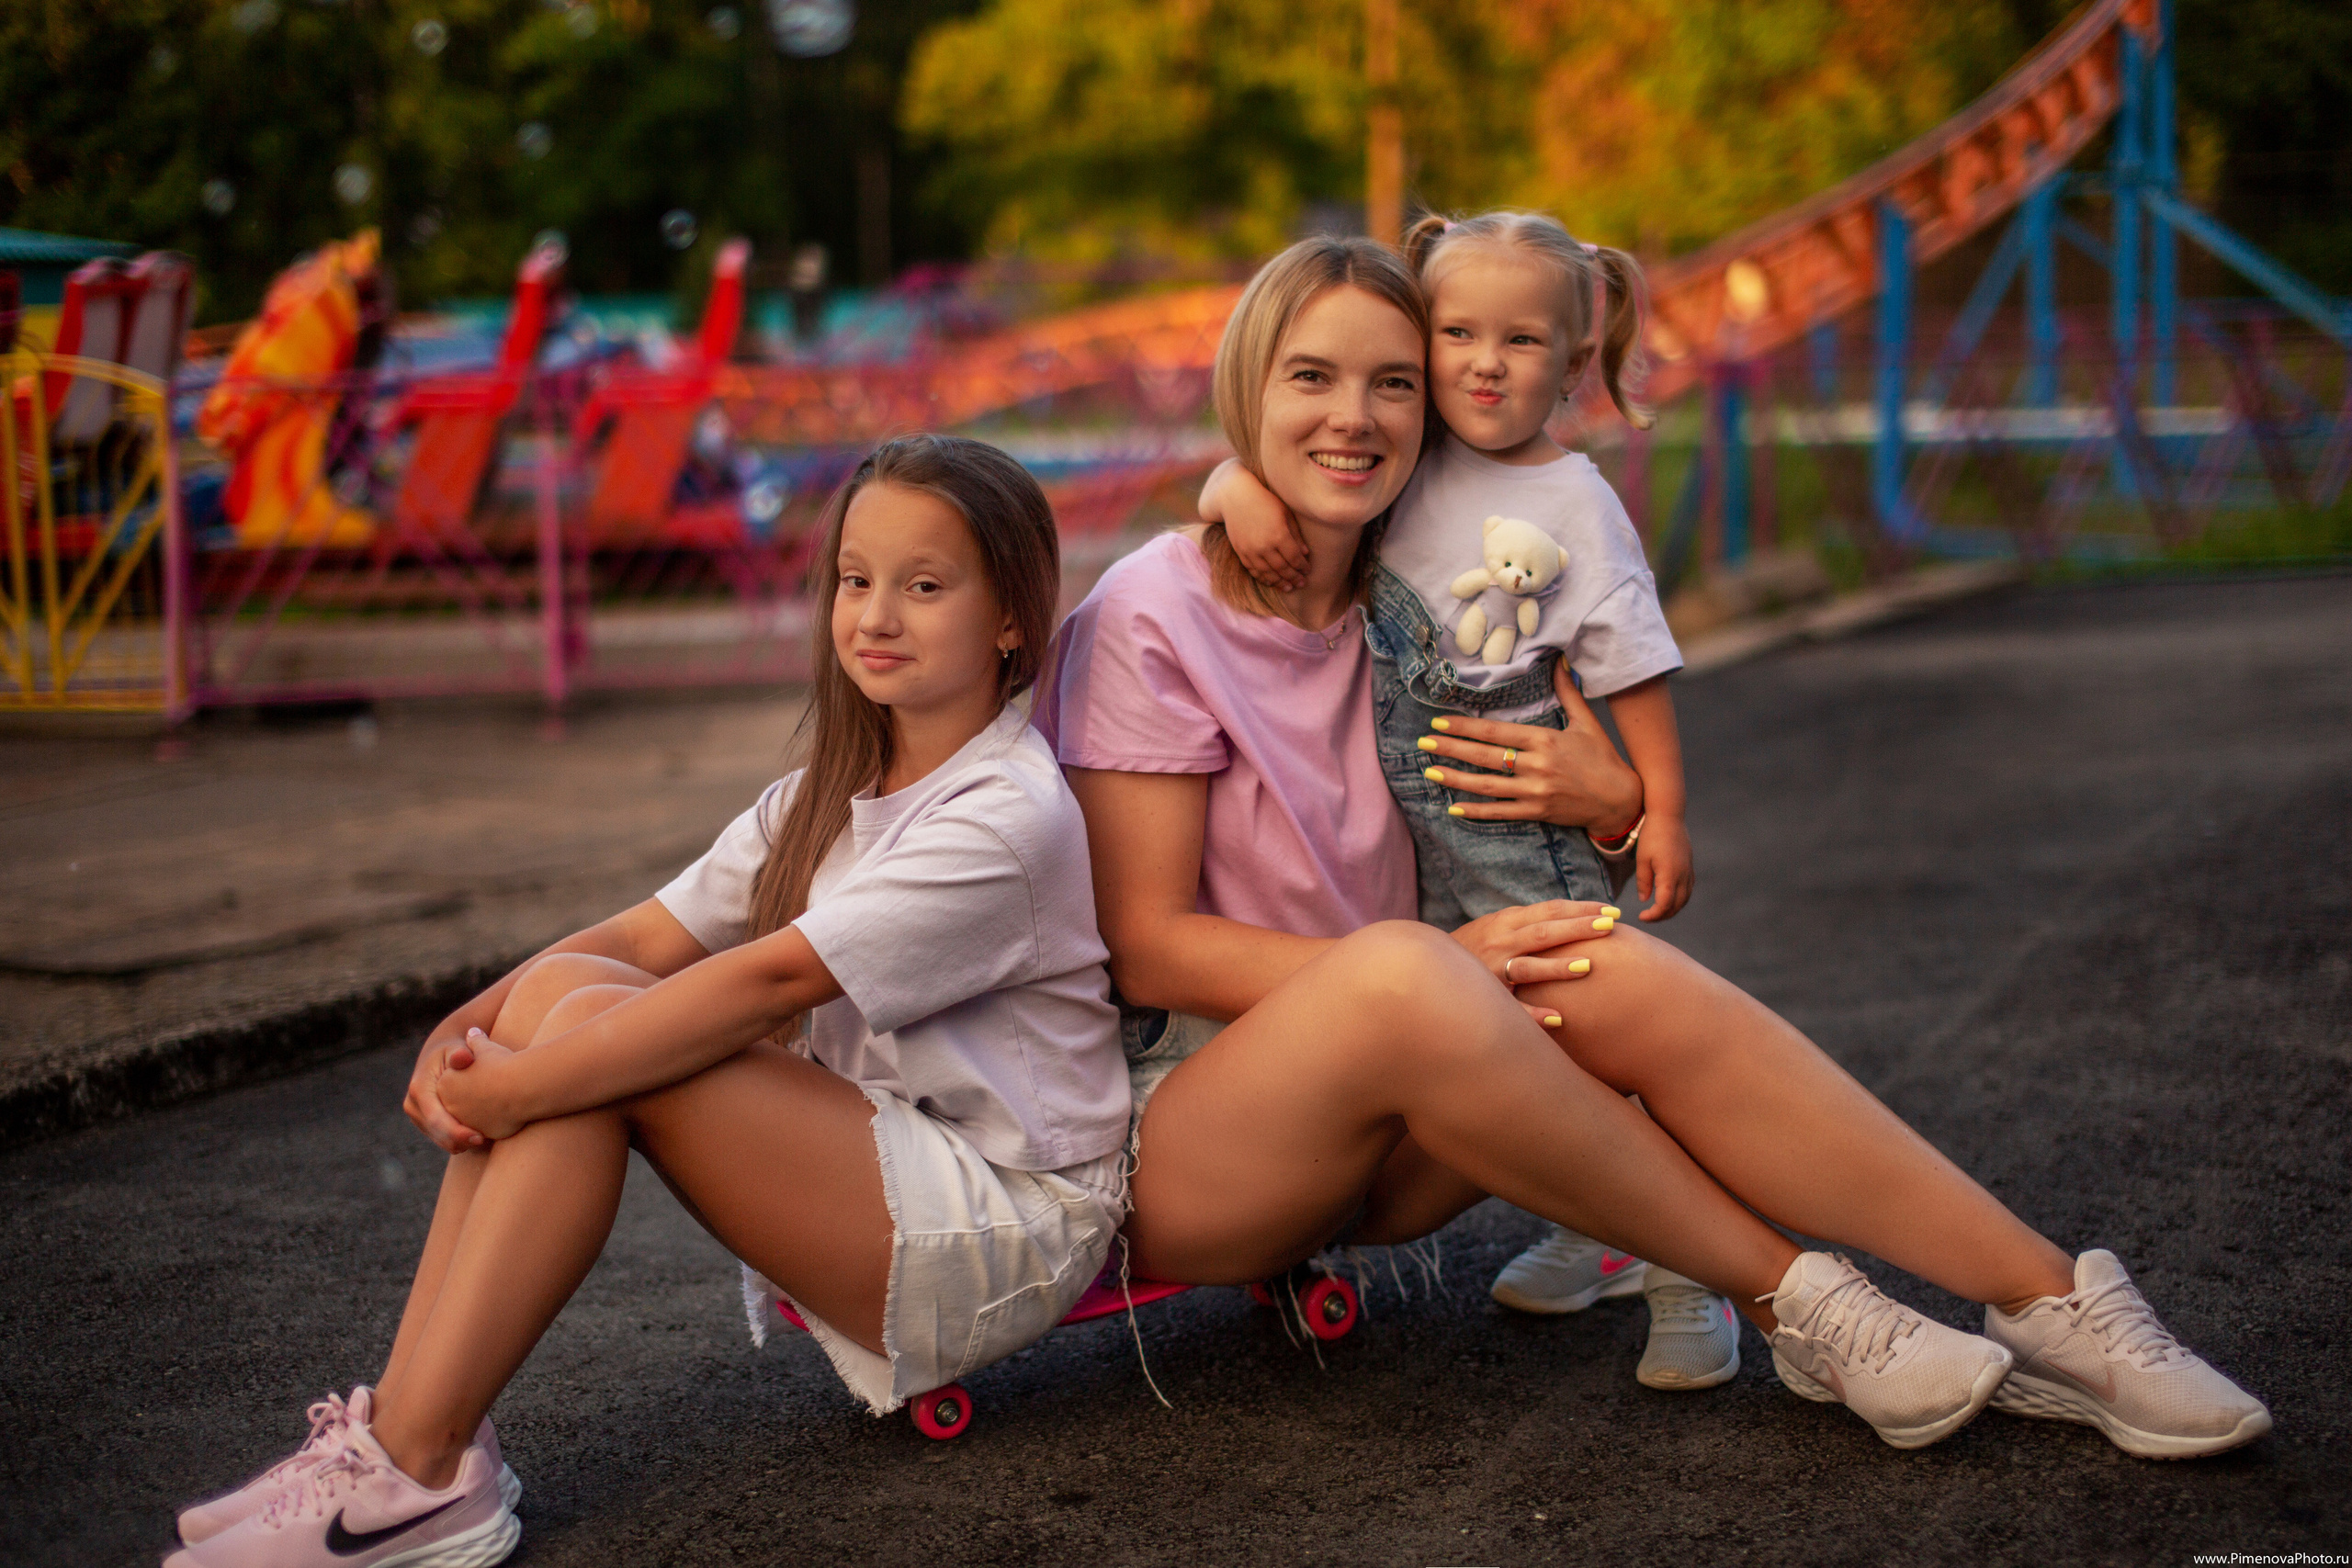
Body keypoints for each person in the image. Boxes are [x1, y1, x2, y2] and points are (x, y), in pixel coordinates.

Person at [1035, 234, 2270, 1460]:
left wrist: (1613, 799)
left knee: (1593, 961)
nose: (1353, 416)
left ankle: (2054, 1301)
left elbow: (1543, 816)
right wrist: (1442, 963)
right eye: (1309, 376)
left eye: (1392, 381)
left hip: (1396, 1104)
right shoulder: (1156, 611)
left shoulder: (1415, 588)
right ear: (1247, 384)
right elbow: (1146, 945)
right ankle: (1807, 1301)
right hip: (1197, 1141)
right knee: (1443, 967)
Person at [167, 434, 1133, 1567]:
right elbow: (640, 936)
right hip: (892, 1166)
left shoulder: (1003, 816)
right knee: (571, 999)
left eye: (925, 587)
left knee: (584, 1044)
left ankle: (421, 1468)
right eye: (856, 579)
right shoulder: (829, 791)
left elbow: (761, 982)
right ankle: (405, 1440)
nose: (877, 614)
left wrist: (519, 1083)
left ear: (1013, 616)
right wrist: (465, 1026)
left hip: (1008, 1221)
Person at [1200, 209, 1721, 1378]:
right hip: (1414, 825)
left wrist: (1660, 809)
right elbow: (1286, 459)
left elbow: (1632, 666)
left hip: (1513, 812)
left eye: (1522, 342)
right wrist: (1231, 486)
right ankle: (1597, 1228)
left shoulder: (1577, 503)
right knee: (1489, 1042)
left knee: (1567, 1021)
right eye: (1457, 333)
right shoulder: (1404, 461)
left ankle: (1691, 1266)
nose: (1484, 363)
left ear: (1576, 364)